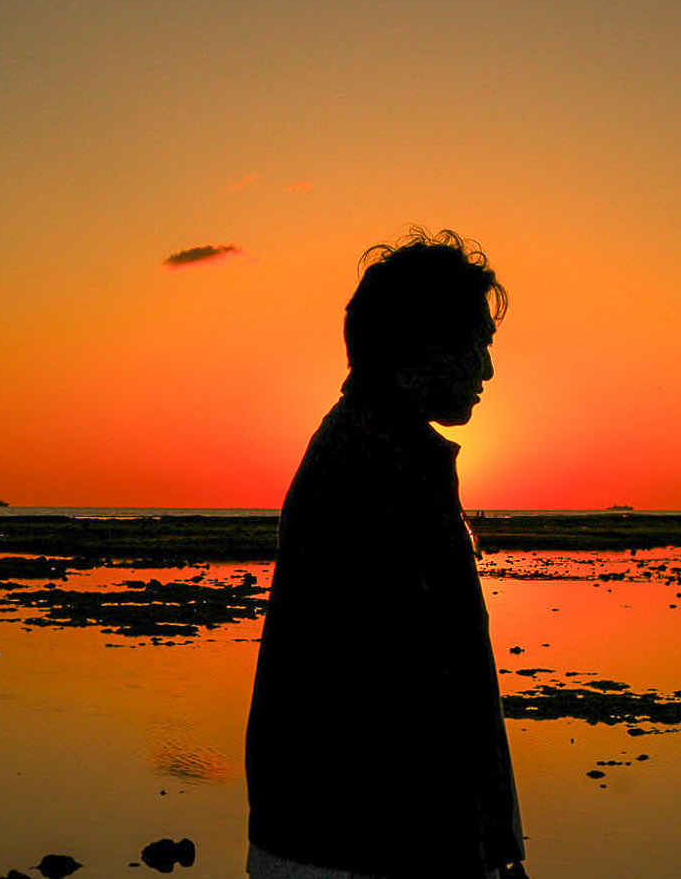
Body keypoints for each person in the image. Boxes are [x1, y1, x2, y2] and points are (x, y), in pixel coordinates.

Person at [246, 229, 526, 879]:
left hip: (344, 839)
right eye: (478, 345)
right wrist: (476, 853)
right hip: (359, 846)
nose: (486, 370)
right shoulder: (376, 465)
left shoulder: (381, 449)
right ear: (423, 347)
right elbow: (416, 694)